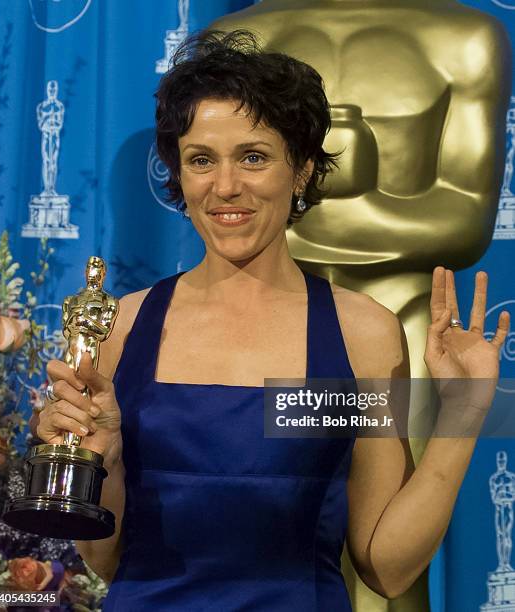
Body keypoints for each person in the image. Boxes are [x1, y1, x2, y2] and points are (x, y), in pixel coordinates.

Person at [34, 30, 510, 611]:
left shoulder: (361, 335)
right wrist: (102, 466)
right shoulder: (123, 327)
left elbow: (387, 567)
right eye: (201, 160)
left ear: (303, 169)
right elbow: (108, 561)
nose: (225, 186)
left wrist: (462, 412)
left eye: (253, 157)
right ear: (179, 175)